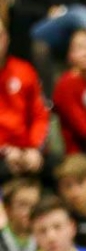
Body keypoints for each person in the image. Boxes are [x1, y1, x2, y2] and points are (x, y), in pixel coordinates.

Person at [0, 20, 51, 185]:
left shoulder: (24, 70)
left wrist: (35, 149)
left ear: (6, 38)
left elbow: (40, 115)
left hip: (27, 149)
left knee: (61, 169)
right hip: (4, 152)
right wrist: (4, 151)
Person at [0, 179, 41, 251]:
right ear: (8, 209)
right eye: (23, 205)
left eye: (34, 206)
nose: (29, 212)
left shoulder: (45, 238)